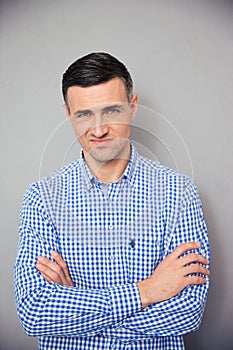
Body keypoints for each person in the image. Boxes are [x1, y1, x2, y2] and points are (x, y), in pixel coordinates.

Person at [14, 52, 210, 350]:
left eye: (112, 111)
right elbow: (35, 312)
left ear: (132, 107)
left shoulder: (178, 192)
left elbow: (188, 312)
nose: (99, 129)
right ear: (68, 114)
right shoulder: (42, 198)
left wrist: (76, 307)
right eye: (84, 114)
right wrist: (147, 291)